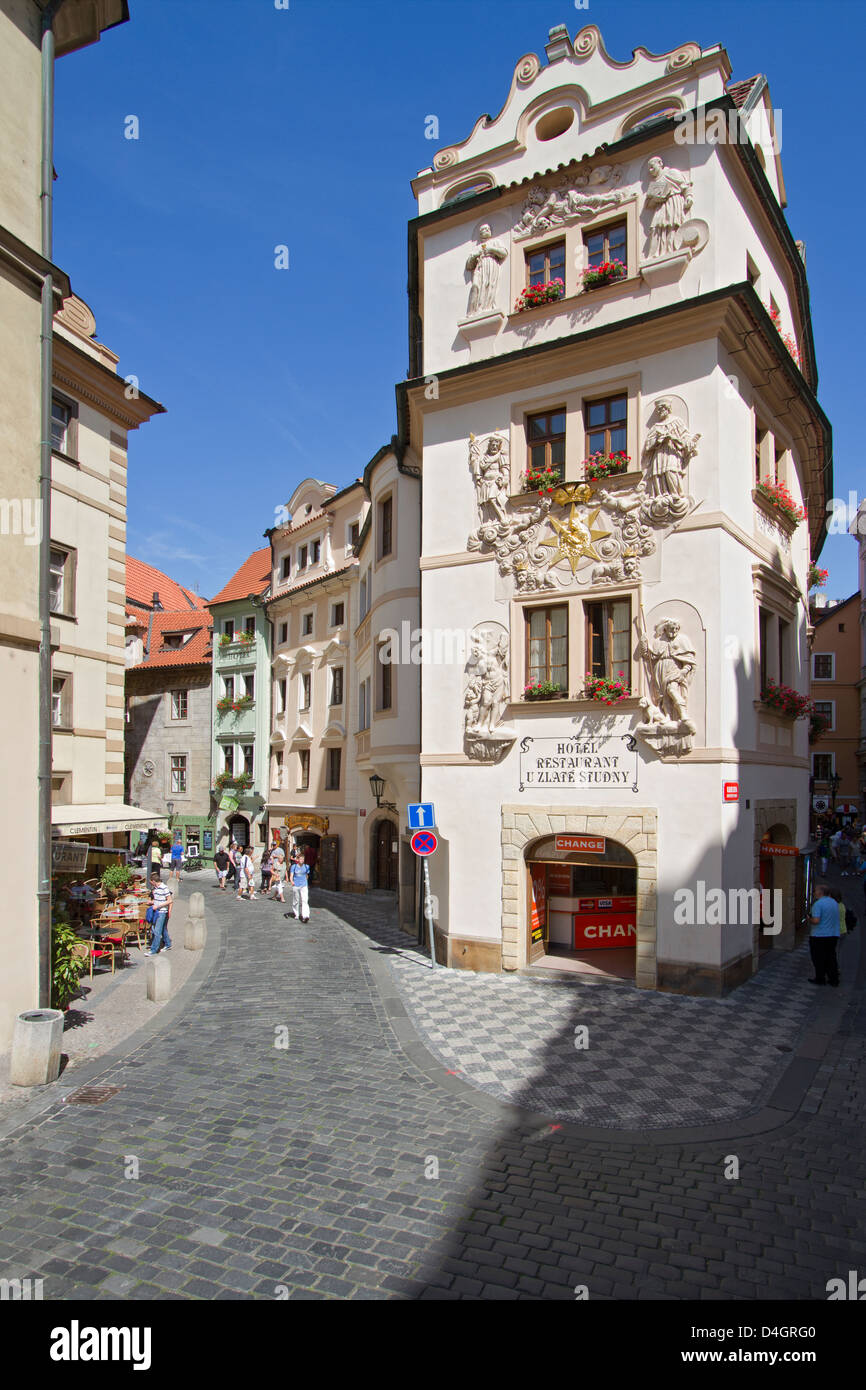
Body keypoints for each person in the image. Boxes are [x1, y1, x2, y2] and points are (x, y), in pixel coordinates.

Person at [808, 884, 840, 986]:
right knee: (831, 957)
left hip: (819, 935)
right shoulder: (834, 902)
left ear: (820, 892)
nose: (814, 892)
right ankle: (833, 979)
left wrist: (809, 919)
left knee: (818, 958)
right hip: (833, 934)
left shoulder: (818, 904)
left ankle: (820, 978)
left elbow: (816, 920)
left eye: (815, 891)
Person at [147, 872, 173, 955]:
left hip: (162, 912)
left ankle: (154, 950)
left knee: (157, 931)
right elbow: (158, 900)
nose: (151, 884)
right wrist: (152, 902)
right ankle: (168, 944)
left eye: (151, 882)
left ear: (154, 881)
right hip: (157, 911)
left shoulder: (164, 888)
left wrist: (158, 906)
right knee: (163, 929)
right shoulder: (156, 889)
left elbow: (169, 900)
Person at [285, 852, 311, 922]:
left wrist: (305, 882)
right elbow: (291, 875)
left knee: (305, 900)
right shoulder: (294, 866)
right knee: (296, 900)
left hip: (304, 885)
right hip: (296, 885)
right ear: (298, 859)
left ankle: (305, 916)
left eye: (303, 859)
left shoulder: (306, 866)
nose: (302, 860)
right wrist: (292, 882)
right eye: (301, 859)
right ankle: (296, 913)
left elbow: (307, 875)